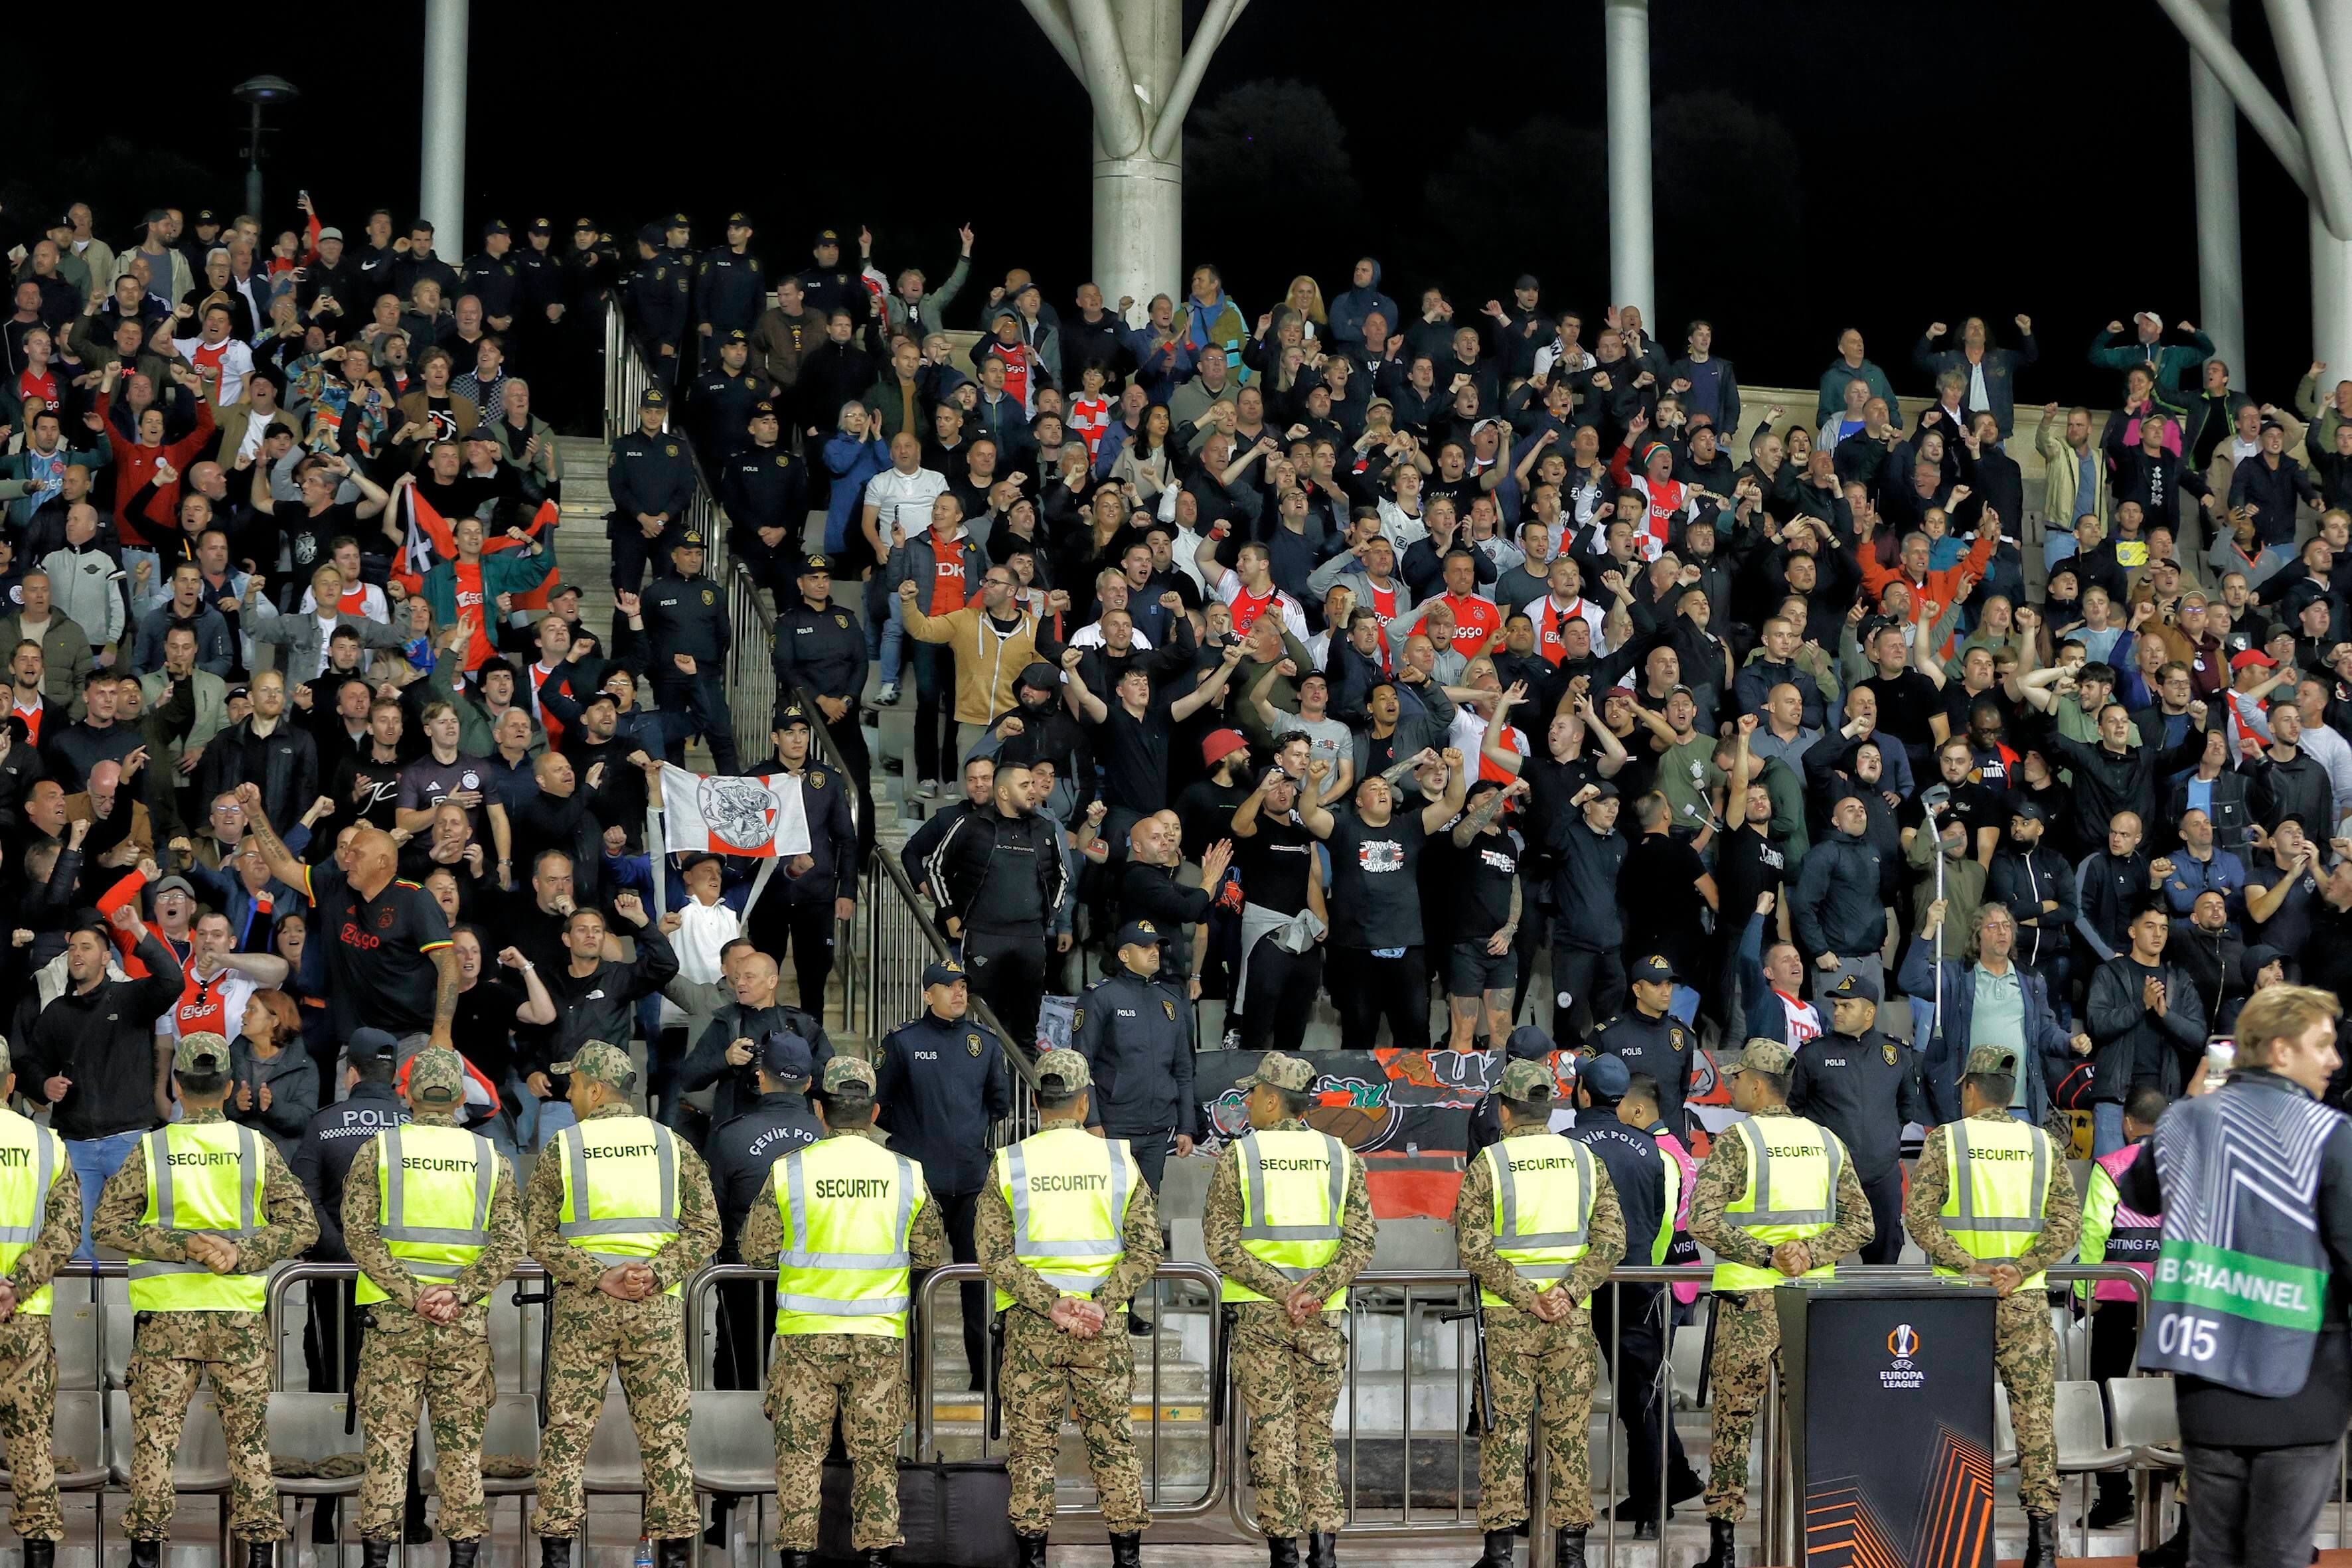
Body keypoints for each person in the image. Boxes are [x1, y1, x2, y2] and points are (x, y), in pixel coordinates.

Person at [2118, 984, 2352, 1568]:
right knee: (2278, 1555)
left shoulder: (2183, 1121)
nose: (2335, 1060)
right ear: (2278, 1050)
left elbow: (2139, 1192)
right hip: (2302, 1381)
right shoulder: (2329, 1134)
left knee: (2212, 1556)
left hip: (2206, 1381)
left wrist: (2193, 1108)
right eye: (2322, 1044)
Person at [94, 1032, 320, 1568]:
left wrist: (182, 1244)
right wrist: (236, 1254)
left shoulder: (151, 1147)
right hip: (239, 1320)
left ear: (176, 1085)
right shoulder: (255, 1146)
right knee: (249, 1445)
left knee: (153, 1444)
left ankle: (146, 1556)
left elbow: (106, 1225)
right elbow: (303, 1226)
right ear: (229, 1088)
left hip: (166, 1321)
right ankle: (261, 1555)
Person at [738, 1056, 948, 1568]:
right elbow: (928, 1252)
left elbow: (756, 1250)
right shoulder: (906, 1172)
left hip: (805, 1338)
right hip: (878, 1337)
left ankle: (797, 1557)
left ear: (820, 1110)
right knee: (875, 1458)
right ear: (874, 1111)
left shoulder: (789, 1171)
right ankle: (877, 1556)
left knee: (800, 1457)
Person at [522, 1040, 720, 1568]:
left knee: (566, 1433)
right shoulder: (672, 1144)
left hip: (585, 1309)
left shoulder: (564, 1147)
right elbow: (707, 1230)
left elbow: (536, 1234)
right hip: (653, 1307)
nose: (568, 1094)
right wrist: (654, 1273)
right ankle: (675, 1555)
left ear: (594, 1087)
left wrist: (598, 1276)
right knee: (666, 1436)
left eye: (572, 1085)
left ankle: (558, 1556)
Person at [1687, 1038, 1875, 1568]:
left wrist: (1768, 1256)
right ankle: (1830, 1545)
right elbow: (1863, 1224)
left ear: (1756, 1083)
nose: (1731, 1086)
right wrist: (1808, 1254)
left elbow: (1701, 1219)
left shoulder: (1738, 1140)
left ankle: (1723, 1550)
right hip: (1812, 1303)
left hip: (1749, 1299)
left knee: (1731, 1425)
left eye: (1737, 1078)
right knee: (1818, 1428)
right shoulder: (1826, 1141)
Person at [977, 1048, 1163, 1568]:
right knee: (1114, 1448)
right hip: (1101, 1331)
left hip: (1033, 1329)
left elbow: (992, 1255)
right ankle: (1127, 1559)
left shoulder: (1009, 1163)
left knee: (1032, 1452)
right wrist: (1099, 1305)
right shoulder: (1118, 1160)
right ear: (1084, 1103)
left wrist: (1051, 1304)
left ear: (1038, 1103)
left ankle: (1033, 1559)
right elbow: (1148, 1248)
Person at [341, 1048, 524, 1568]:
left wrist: (409, 1292)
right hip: (462, 1325)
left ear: (409, 1095)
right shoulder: (491, 1158)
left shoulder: (379, 1151)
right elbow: (510, 1242)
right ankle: (463, 1558)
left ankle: (377, 1557)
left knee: (387, 1448)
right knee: (461, 1451)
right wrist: (459, 1292)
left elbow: (358, 1232)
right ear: (461, 1098)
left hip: (393, 1322)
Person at [1903, 1044, 2081, 1568]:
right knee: (2034, 1422)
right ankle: (2041, 1547)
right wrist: (2018, 1268)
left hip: (1959, 1304)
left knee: (1950, 1421)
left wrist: (1969, 1266)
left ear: (1971, 1090)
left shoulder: (1946, 1141)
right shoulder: (2044, 1145)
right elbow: (2066, 1224)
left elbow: (1920, 1219)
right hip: (2023, 1302)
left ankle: (1948, 1541)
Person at [1204, 1051, 1374, 1568]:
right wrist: (1314, 1291)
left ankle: (1284, 1553)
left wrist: (1282, 1292)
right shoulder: (1342, 1155)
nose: (1248, 1101)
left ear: (1273, 1099)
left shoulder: (1241, 1156)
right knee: (1316, 1436)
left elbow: (1220, 1242)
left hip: (1261, 1317)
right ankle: (1325, 1552)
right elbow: (1361, 1240)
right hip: (1321, 1317)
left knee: (1273, 1436)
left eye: (1253, 1093)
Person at [1456, 1056, 1626, 1568]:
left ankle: (1500, 1555)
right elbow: (1612, 1239)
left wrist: (1526, 1295)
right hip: (1570, 1320)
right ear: (1549, 1109)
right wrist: (1567, 1292)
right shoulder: (1584, 1161)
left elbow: (1472, 1247)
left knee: (1504, 1434)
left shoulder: (1489, 1163)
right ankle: (1572, 1555)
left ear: (1505, 1112)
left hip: (1509, 1319)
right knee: (1569, 1434)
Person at [1570, 1052, 1703, 1536]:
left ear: (1582, 1094)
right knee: (1642, 1399)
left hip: (1576, 1291)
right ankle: (1651, 1509)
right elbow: (1666, 1227)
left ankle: (1551, 1515)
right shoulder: (1656, 1152)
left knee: (1558, 1401)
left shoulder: (1567, 1146)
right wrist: (1645, 1273)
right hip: (1639, 1286)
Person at [874, 961, 1011, 1394]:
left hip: (971, 1181)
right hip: (921, 1184)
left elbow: (998, 1103)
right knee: (913, 1285)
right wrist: (917, 1133)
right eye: (948, 986)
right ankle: (911, 1380)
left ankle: (984, 1380)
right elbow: (883, 1103)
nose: (958, 993)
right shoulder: (903, 1042)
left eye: (962, 986)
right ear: (926, 995)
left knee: (977, 1283)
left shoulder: (984, 1043)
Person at [29, 904, 183, 1255]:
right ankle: (82, 1312)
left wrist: (136, 930)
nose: (76, 954)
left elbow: (173, 980)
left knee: (140, 1240)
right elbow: (30, 1064)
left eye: (86, 947)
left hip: (128, 1141)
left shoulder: (131, 998)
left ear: (105, 957)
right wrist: (43, 1084)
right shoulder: (57, 1012)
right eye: (72, 948)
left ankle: (140, 1313)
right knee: (74, 1244)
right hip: (76, 1144)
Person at [701, 1032, 824, 1399]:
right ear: (809, 1083)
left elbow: (713, 1215)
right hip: (816, 1278)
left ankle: (734, 1451)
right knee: (813, 1381)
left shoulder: (730, 1136)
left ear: (760, 1076)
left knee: (739, 1374)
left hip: (744, 1277)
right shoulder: (828, 1136)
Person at [0, 1034, 80, 1568]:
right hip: (22, 1316)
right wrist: (15, 1284)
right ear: (9, 1083)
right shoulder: (46, 1144)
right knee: (30, 1448)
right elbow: (66, 1230)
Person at [1790, 972, 1931, 1264]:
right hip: (1828, 1176)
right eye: (1836, 1006)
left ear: (1870, 1012)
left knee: (1886, 1253)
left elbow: (1906, 1109)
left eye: (1846, 1006)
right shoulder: (1813, 1054)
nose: (1838, 1012)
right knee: (1816, 1256)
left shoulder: (1896, 1053)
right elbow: (1795, 1111)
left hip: (1882, 1174)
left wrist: (1883, 1140)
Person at [2076, 1083, 2168, 1531]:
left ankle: (2114, 1498)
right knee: (2172, 1395)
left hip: (2115, 1295)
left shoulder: (2111, 1165)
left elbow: (2094, 1228)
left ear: (2127, 1123)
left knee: (2105, 1392)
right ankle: (2173, 1495)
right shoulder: (2186, 1165)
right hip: (2170, 1299)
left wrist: (2085, 1289)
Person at [1074, 921, 1198, 1194]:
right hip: (1114, 1127)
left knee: (1149, 1213)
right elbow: (1082, 1065)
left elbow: (1183, 1071)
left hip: (1158, 1130)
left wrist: (1186, 1127)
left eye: (1156, 946)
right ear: (1124, 955)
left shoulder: (1170, 1000)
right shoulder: (1100, 997)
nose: (1154, 952)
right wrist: (1092, 1122)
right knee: (1110, 1211)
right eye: (1145, 947)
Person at [2084, 902, 2209, 1156]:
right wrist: (2141, 1005)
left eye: (2163, 928)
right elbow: (2097, 1025)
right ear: (2132, 932)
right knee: (2111, 1183)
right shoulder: (2109, 973)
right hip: (2115, 1098)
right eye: (2150, 927)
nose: (2158, 934)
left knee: (2156, 1188)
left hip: (2162, 1099)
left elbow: (2198, 1037)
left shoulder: (2179, 979)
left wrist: (2165, 1014)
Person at [1593, 955, 1697, 1139]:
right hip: (1625, 1141)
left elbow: (1681, 1091)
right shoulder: (1610, 1036)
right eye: (1656, 985)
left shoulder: (1682, 1035)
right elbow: (1590, 1096)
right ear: (1637, 990)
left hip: (1671, 1140)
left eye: (1669, 984)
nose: (1666, 992)